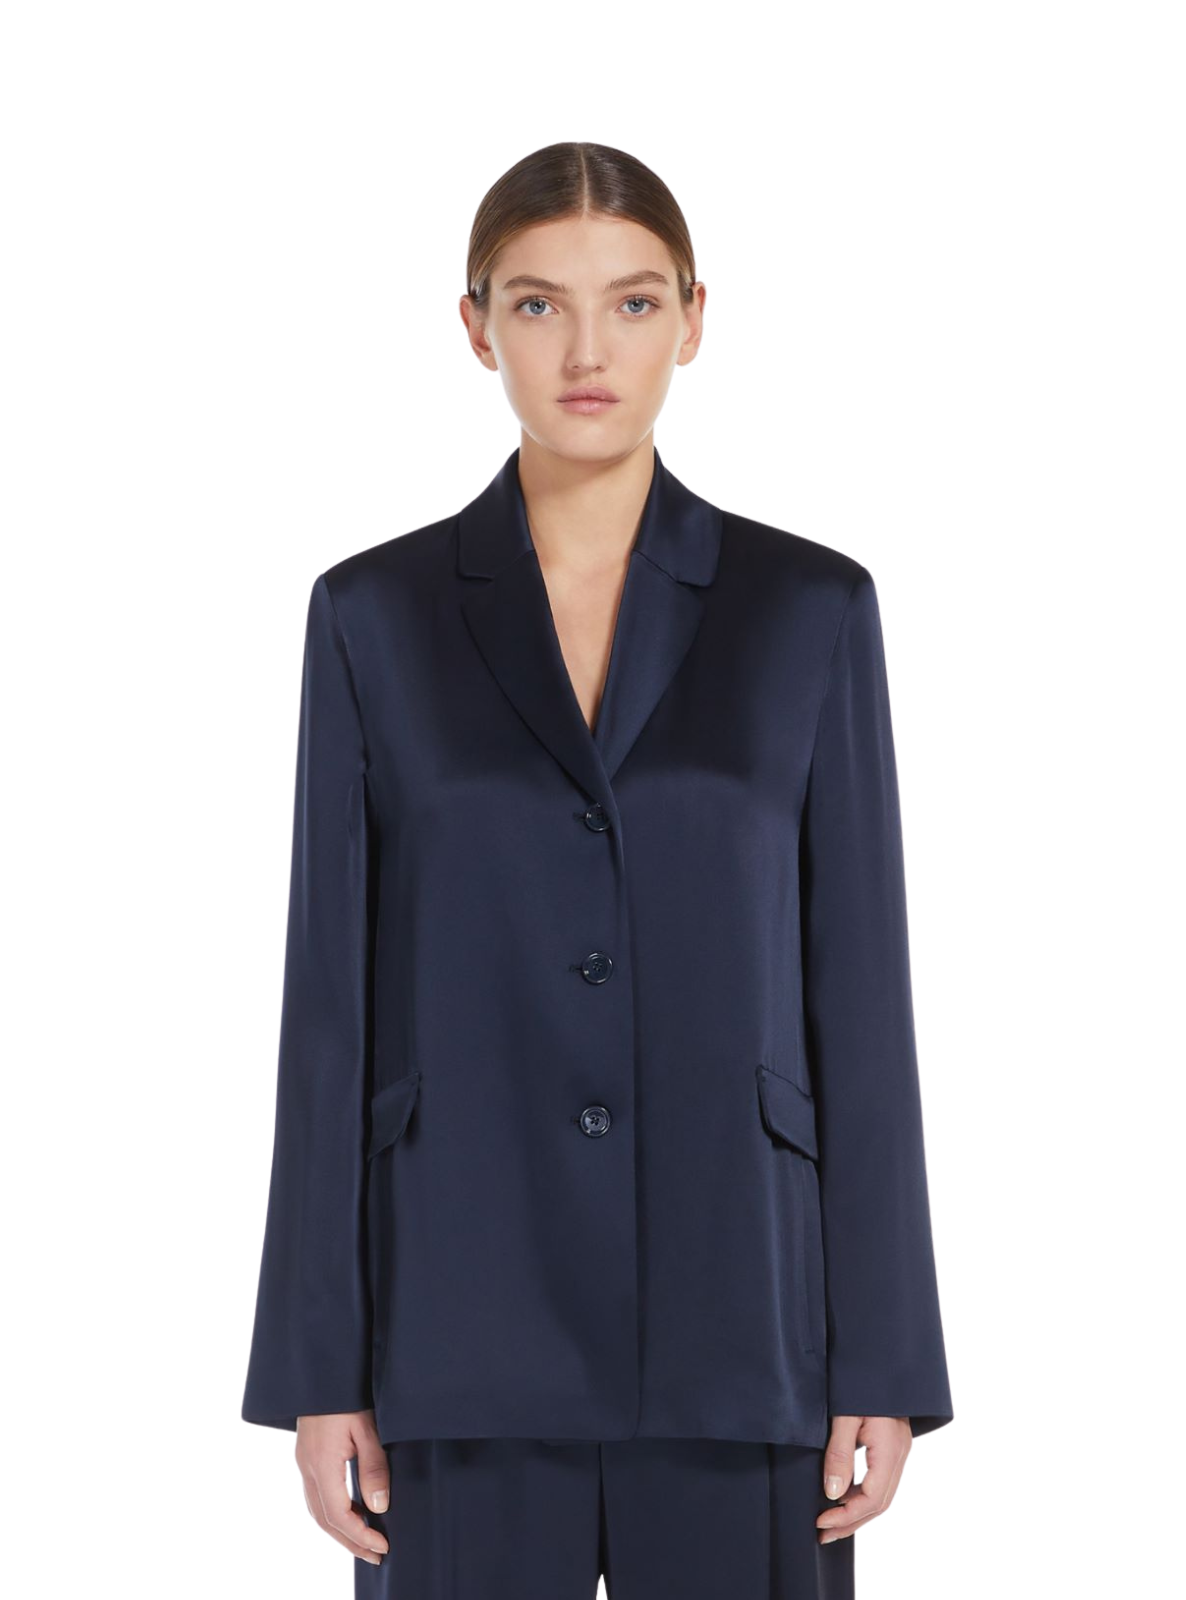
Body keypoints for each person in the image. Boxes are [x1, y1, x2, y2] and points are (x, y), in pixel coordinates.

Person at [241, 140, 954, 1599]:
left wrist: (884, 1354)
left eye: (632, 304)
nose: (586, 353)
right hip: (456, 1322)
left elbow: (861, 999)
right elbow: (328, 1015)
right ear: (474, 326)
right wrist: (318, 1368)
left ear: (694, 319)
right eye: (536, 305)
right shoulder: (373, 616)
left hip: (744, 1321)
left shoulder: (808, 609)